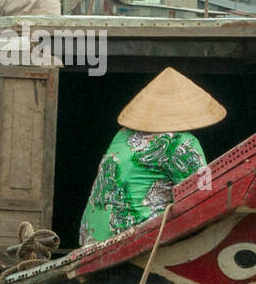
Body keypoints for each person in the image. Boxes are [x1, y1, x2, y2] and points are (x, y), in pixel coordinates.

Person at [77, 67, 225, 245]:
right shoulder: (180, 142)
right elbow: (203, 198)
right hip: (132, 240)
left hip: (91, 238)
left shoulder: (122, 135)